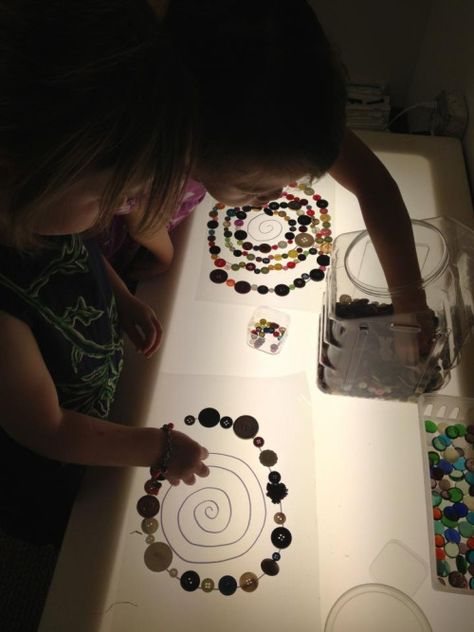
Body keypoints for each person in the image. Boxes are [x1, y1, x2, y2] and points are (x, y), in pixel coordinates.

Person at [0, 0, 210, 552]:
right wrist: (157, 449)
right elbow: (48, 429)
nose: (119, 210)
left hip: (95, 409)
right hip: (47, 464)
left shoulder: (44, 211)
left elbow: (83, 256)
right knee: (74, 535)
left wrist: (120, 299)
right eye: (107, 197)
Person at [103, 0, 431, 350]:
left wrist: (409, 303)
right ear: (186, 148)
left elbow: (375, 186)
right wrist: (145, 268)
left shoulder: (288, 110)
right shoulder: (121, 160)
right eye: (254, 189)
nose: (275, 199)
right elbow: (116, 227)